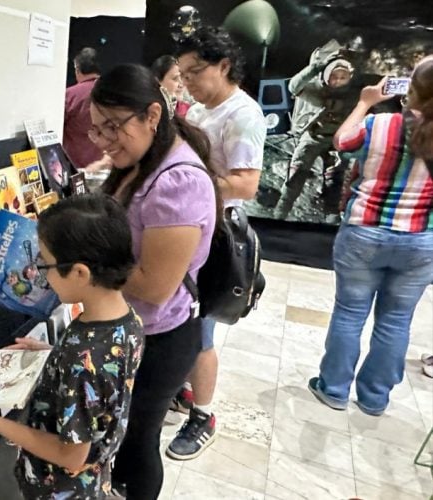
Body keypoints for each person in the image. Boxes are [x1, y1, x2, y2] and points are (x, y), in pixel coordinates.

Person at [0, 194, 146, 499]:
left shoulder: (82, 356)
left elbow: (71, 455)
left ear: (80, 273)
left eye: (45, 264)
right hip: (93, 479)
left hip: (60, 489)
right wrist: (53, 356)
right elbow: (104, 381)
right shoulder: (127, 320)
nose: (41, 274)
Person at [89, 63, 218, 498]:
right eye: (96, 129)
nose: (104, 140)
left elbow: (155, 284)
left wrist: (82, 261)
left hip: (160, 338)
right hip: (129, 329)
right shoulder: (144, 160)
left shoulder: (177, 180)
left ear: (151, 116)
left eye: (113, 127)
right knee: (119, 436)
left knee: (137, 440)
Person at [308, 59, 433, 416]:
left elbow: (343, 141)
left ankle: (333, 389)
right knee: (397, 319)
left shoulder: (381, 123)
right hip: (422, 240)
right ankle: (375, 398)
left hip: (365, 233)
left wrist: (364, 102)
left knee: (349, 313)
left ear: (412, 89)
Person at [168, 26, 266, 460]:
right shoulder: (203, 110)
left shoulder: (242, 115)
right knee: (184, 324)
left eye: (195, 71)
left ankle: (203, 415)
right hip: (191, 229)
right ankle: (184, 391)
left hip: (216, 236)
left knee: (201, 330)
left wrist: (188, 182)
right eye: (183, 73)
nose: (187, 81)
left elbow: (245, 185)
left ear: (224, 66)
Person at [275, 40, 358, 220]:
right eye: (334, 76)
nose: (337, 81)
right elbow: (294, 87)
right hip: (312, 137)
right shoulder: (316, 90)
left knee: (334, 184)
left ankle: (330, 221)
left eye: (343, 77)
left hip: (337, 142)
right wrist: (315, 68)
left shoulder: (353, 94)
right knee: (294, 179)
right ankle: (279, 216)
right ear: (326, 76)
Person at [64, 48, 112, 172]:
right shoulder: (112, 92)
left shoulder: (70, 95)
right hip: (106, 167)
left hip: (75, 169)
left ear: (78, 70)